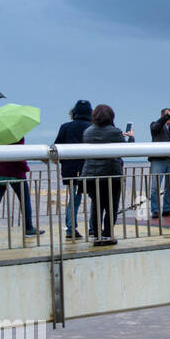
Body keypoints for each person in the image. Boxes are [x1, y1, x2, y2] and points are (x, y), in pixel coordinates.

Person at [0, 137, 41, 240]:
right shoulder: (17, 136)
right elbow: (18, 156)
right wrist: (26, 168)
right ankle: (28, 228)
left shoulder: (2, 137)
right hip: (15, 173)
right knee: (25, 201)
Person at [81, 104, 126, 246]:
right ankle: (107, 235)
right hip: (111, 173)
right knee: (111, 206)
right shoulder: (115, 132)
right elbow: (123, 150)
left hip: (91, 174)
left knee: (96, 205)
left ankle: (97, 235)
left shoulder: (87, 132)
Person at [53, 100, 95, 239]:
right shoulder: (92, 127)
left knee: (74, 200)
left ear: (74, 112)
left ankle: (71, 229)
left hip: (69, 169)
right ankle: (93, 228)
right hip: (89, 168)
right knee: (96, 198)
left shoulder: (65, 127)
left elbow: (57, 147)